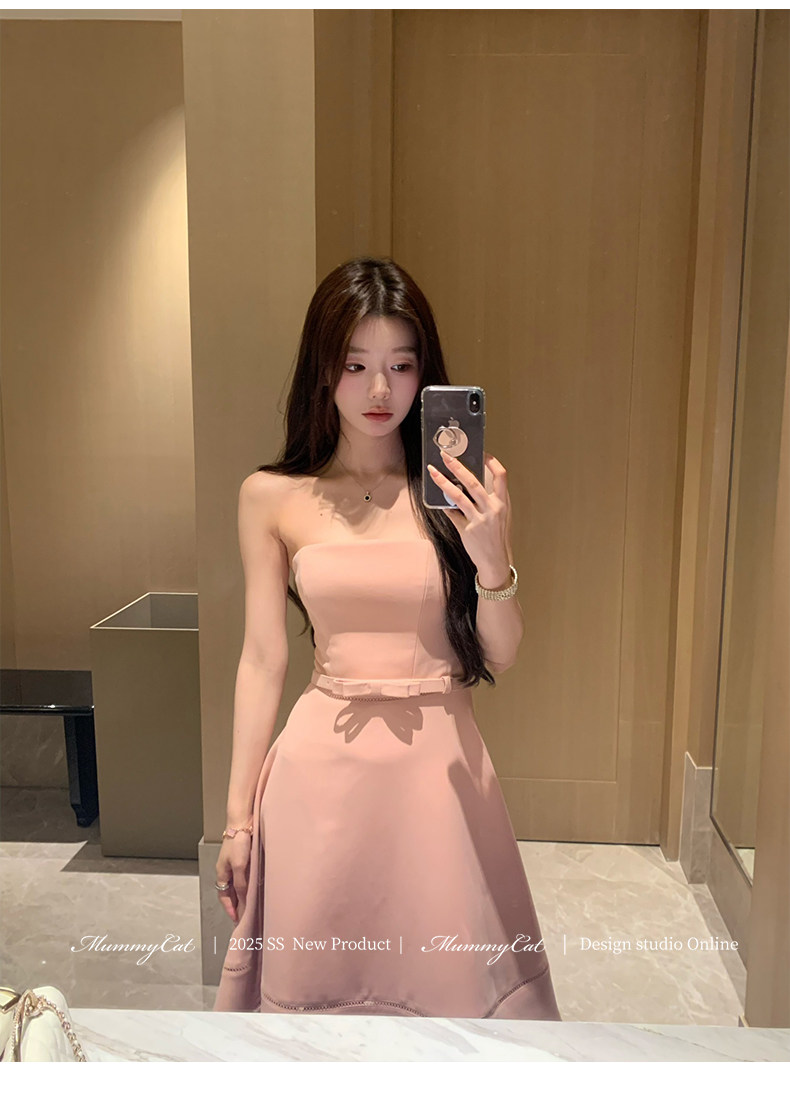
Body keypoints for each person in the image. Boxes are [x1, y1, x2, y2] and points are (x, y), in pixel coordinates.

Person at [212, 256, 562, 1019]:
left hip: (439, 774)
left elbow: (500, 653)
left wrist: (493, 558)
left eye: (401, 366)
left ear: (424, 372)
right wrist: (238, 819)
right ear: (322, 369)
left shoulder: (460, 495)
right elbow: (263, 658)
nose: (379, 390)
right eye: (355, 365)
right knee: (316, 1004)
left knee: (448, 997)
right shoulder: (271, 497)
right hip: (319, 773)